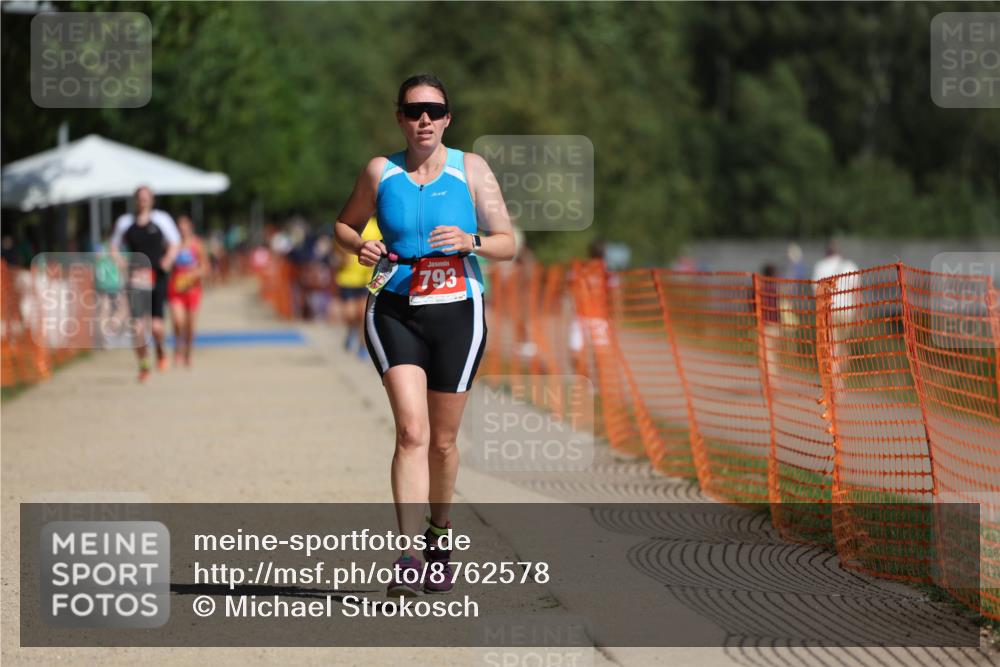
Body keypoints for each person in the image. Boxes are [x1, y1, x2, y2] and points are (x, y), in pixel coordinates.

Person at [334, 74, 516, 597]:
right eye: (414, 111)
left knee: (442, 441)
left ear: (448, 118)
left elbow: (507, 242)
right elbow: (344, 226)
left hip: (458, 309)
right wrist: (358, 247)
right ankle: (410, 555)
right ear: (400, 117)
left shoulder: (471, 169)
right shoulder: (380, 171)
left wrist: (471, 240)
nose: (424, 120)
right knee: (411, 433)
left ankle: (440, 534)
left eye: (434, 111)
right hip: (393, 307)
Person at [110, 186, 181, 382]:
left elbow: (175, 242)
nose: (142, 201)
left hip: (157, 276)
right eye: (139, 198)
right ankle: (143, 365)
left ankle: (160, 350)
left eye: (146, 198)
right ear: (135, 200)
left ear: (152, 200)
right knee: (138, 327)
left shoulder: (162, 219)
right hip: (136, 279)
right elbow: (113, 246)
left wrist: (168, 259)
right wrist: (121, 263)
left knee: (157, 327)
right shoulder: (125, 222)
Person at [812, 238, 860, 374]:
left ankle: (835, 378)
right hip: (847, 312)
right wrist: (859, 314)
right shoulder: (850, 265)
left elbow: (816, 292)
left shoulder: (820, 266)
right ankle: (840, 378)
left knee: (832, 345)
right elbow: (857, 293)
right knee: (842, 345)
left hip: (829, 311)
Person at [335, 216, 381, 359]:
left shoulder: (376, 226)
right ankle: (352, 330)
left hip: (367, 278)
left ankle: (362, 345)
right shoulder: (348, 224)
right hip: (347, 277)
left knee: (363, 314)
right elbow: (338, 246)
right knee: (350, 313)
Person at [167, 215, 207, 367]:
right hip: (176, 289)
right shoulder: (173, 245)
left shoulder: (197, 244)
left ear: (190, 228)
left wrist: (194, 273)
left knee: (190, 326)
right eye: (180, 228)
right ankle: (177, 348)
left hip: (193, 290)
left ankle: (188, 352)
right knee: (178, 321)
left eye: (185, 228)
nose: (182, 231)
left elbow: (205, 268)